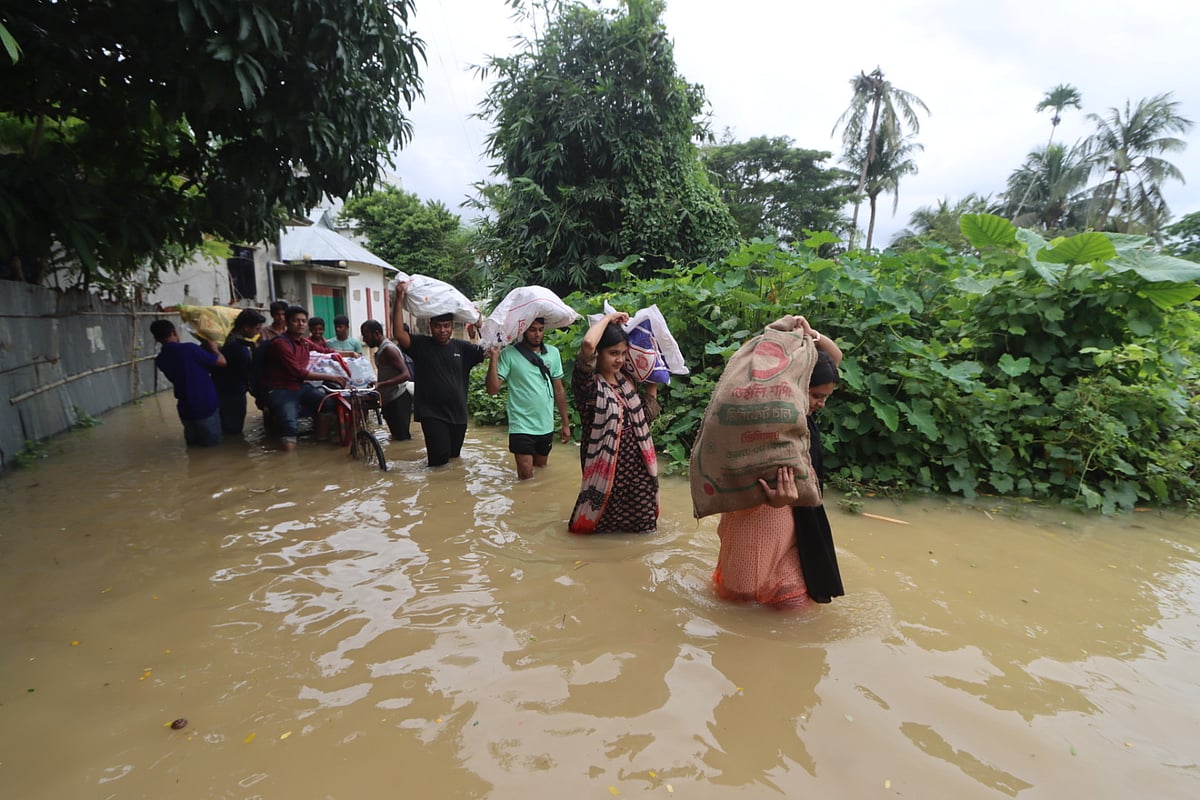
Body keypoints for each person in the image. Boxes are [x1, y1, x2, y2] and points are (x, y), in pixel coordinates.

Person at [712, 317, 845, 608]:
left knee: (794, 603)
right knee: (741, 600)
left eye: (825, 397)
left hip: (799, 518)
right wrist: (774, 499)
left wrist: (811, 334)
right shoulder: (764, 419)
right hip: (759, 517)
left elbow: (835, 357)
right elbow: (738, 477)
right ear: (794, 385)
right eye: (816, 396)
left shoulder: (801, 414)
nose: (821, 403)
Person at [568, 311, 660, 533]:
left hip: (638, 472)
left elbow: (644, 416)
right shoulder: (588, 387)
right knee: (598, 528)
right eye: (613, 353)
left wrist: (654, 378)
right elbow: (588, 344)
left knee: (646, 528)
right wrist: (608, 319)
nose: (620, 359)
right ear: (598, 354)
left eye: (623, 353)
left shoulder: (626, 381)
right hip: (606, 475)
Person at [391, 282, 486, 466]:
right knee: (439, 462)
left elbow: (489, 348)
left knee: (454, 460)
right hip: (432, 414)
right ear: (430, 326)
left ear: (452, 326)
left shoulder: (462, 348)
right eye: (438, 326)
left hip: (458, 415)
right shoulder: (421, 345)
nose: (442, 330)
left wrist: (478, 322)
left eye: (446, 326)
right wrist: (399, 299)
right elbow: (399, 333)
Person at [485, 318, 572, 480]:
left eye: (540, 329)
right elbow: (492, 389)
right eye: (532, 330)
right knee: (525, 475)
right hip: (521, 425)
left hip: (545, 425)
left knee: (541, 471)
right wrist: (494, 357)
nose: (537, 334)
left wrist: (565, 424)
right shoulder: (509, 354)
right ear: (523, 330)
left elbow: (559, 389)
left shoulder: (553, 353)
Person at [259, 305, 346, 451]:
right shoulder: (280, 344)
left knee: (328, 403)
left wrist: (351, 354)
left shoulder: (304, 342)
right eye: (296, 321)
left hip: (300, 386)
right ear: (287, 323)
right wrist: (332, 377)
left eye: (303, 321)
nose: (300, 324)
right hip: (282, 389)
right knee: (290, 425)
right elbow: (298, 372)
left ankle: (321, 444)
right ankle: (290, 458)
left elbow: (325, 351)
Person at [150, 319, 227, 447]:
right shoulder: (190, 349)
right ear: (174, 332)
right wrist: (215, 349)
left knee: (193, 447)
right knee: (213, 449)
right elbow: (222, 362)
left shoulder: (161, 359)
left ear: (156, 338)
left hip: (185, 409)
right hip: (205, 405)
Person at [212, 308, 265, 436]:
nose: (258, 332)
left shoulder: (227, 339)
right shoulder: (239, 348)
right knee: (233, 430)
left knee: (224, 427)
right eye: (257, 329)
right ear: (246, 327)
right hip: (233, 393)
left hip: (219, 389)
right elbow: (248, 373)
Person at [360, 319, 412, 441]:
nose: (364, 340)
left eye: (366, 336)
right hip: (390, 399)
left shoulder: (389, 349)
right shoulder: (382, 350)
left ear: (376, 334)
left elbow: (406, 375)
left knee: (403, 438)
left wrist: (381, 384)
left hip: (398, 399)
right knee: (396, 438)